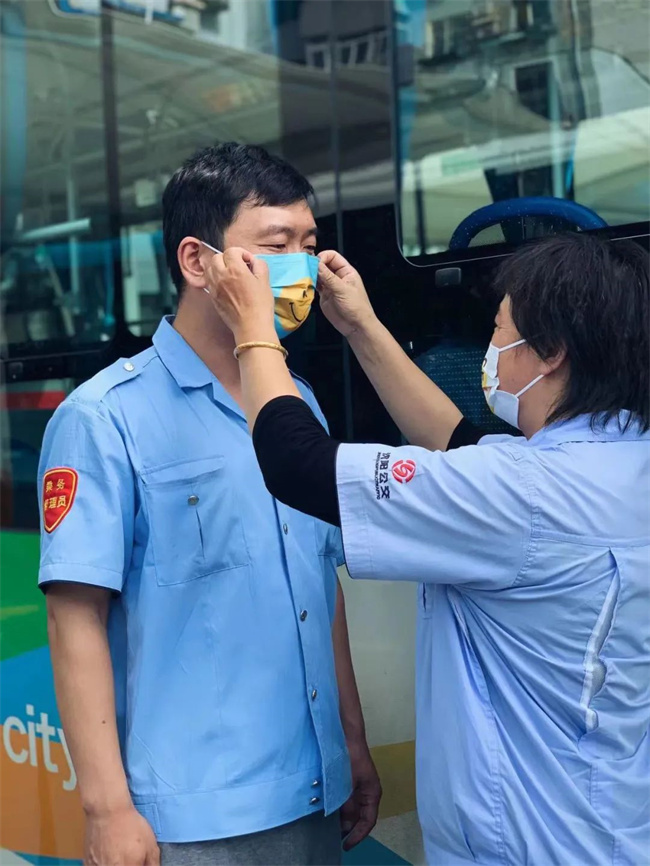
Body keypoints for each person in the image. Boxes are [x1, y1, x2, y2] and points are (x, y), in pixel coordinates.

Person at [201, 233, 650, 866]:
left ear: (550, 353)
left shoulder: (519, 494)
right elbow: (456, 444)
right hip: (612, 831)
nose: (491, 349)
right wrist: (361, 327)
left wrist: (252, 328)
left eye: (499, 331)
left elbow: (295, 462)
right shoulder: (613, 463)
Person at [38, 143, 380, 866]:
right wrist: (106, 809)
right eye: (276, 246)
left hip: (316, 792)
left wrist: (350, 744)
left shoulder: (295, 405)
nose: (300, 268)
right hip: (196, 817)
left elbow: (321, 591)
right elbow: (74, 618)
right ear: (197, 262)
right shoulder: (103, 417)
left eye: (309, 245)